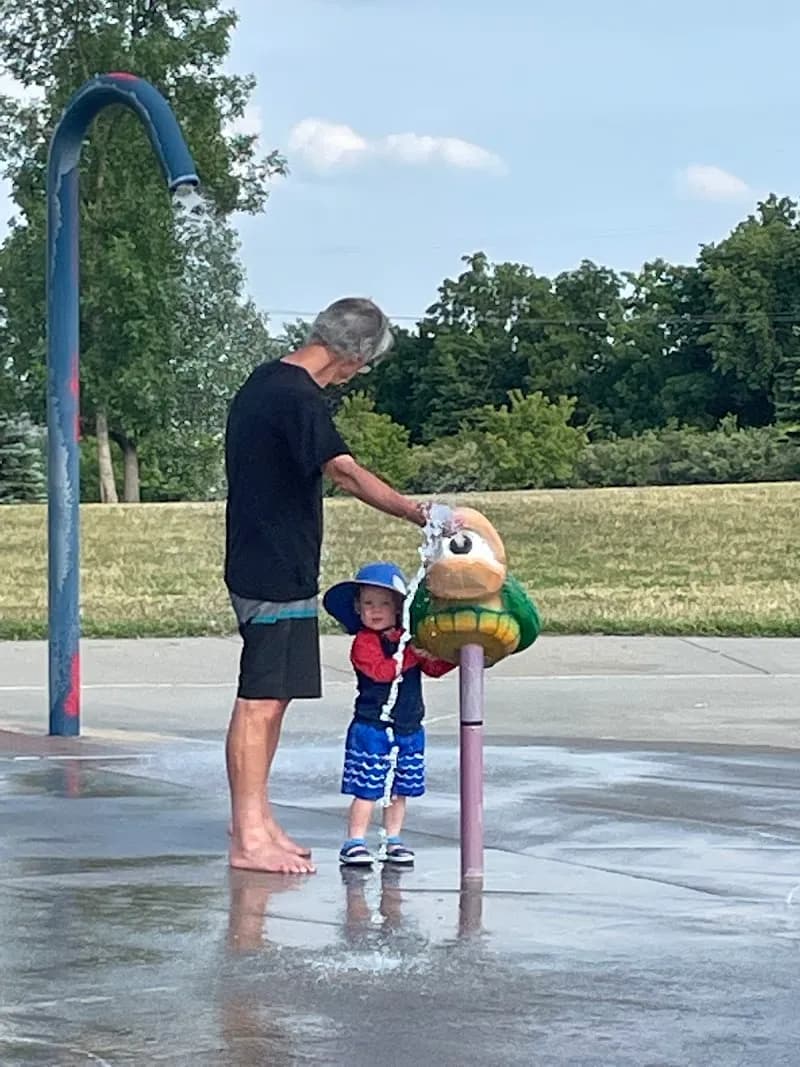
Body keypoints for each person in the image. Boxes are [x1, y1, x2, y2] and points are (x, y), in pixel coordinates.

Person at [224, 298, 428, 875]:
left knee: (273, 698)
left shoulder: (268, 382)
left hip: (274, 561)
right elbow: (343, 469)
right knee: (260, 702)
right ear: (352, 355)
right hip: (269, 565)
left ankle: (258, 824)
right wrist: (418, 513)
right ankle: (246, 837)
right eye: (362, 366)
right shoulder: (295, 395)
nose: (357, 376)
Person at [323, 562, 455, 867]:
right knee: (367, 788)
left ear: (399, 608)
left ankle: (392, 838)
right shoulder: (364, 643)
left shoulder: (406, 642)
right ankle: (354, 840)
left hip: (408, 727)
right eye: (368, 603)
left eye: (385, 603)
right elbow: (383, 672)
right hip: (373, 728)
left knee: (399, 789)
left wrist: (453, 653)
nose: (376, 610)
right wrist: (412, 652)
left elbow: (434, 668)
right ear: (357, 608)